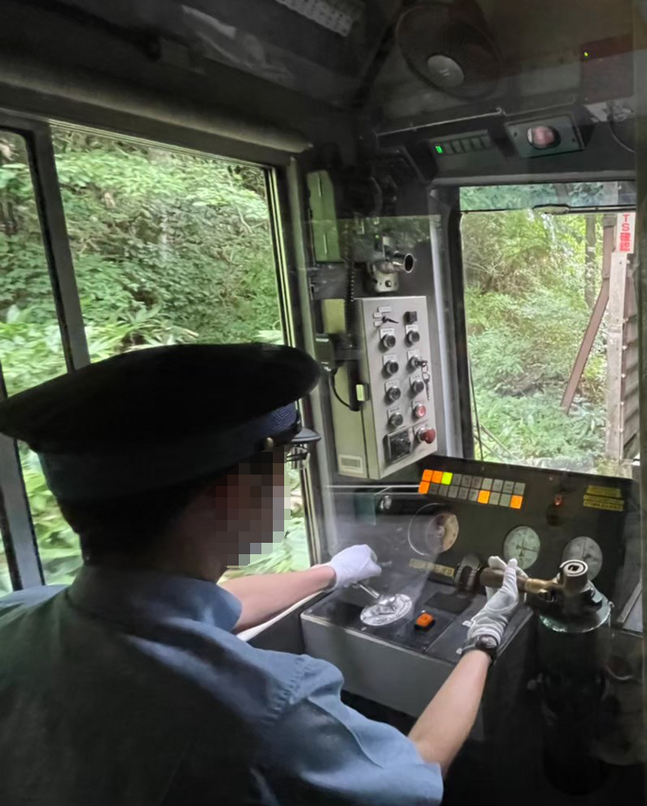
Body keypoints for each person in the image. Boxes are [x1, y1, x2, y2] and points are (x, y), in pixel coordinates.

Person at [0, 343, 522, 805]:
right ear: (226, 493)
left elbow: (178, 612)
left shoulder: (15, 619)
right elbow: (422, 768)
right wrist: (483, 638)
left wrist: (329, 573)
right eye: (288, 459)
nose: (289, 485)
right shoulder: (267, 714)